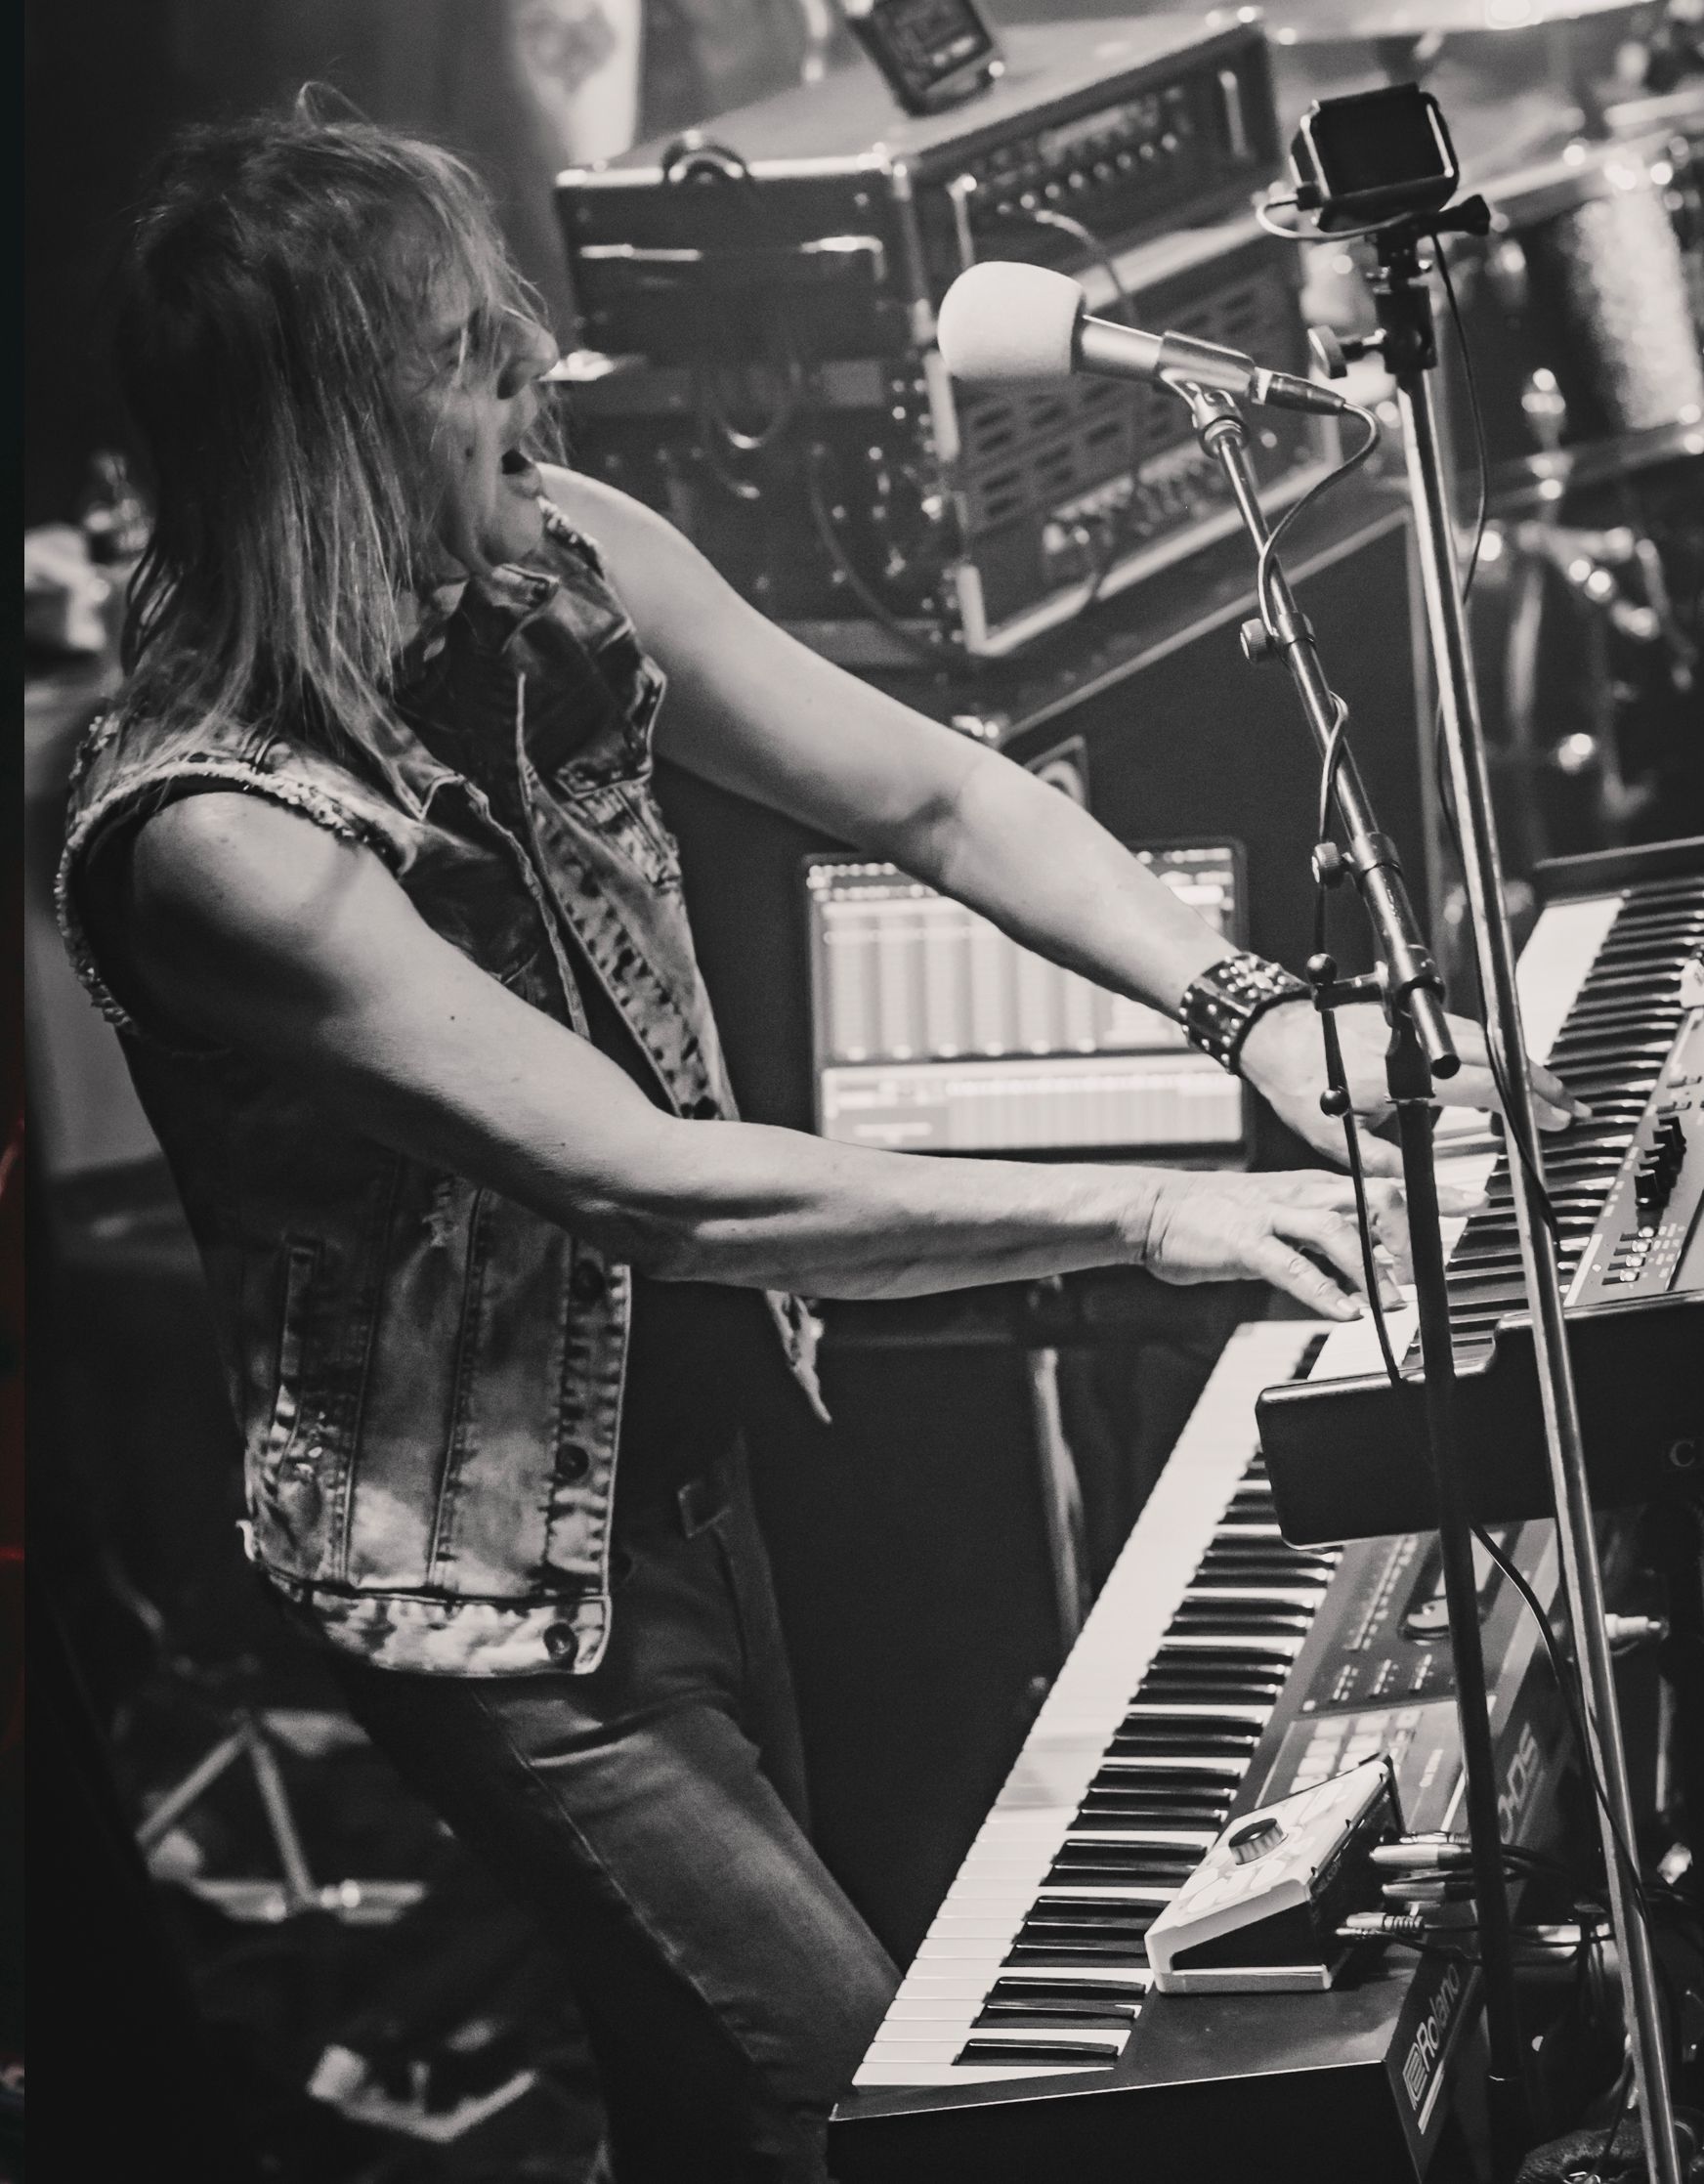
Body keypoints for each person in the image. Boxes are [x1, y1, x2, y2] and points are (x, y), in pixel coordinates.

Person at [56, 103, 1580, 2182]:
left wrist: (1257, 1011)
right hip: (498, 1606)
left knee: (708, 2098)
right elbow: (642, 1182)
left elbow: (935, 799)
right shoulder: (217, 832)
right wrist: (1148, 1207)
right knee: (852, 2109)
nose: (529, 359)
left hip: (677, 1478)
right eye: (455, 342)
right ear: (322, 429)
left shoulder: (560, 552)